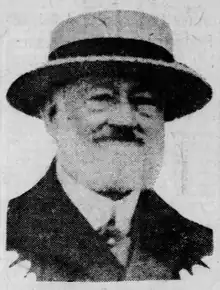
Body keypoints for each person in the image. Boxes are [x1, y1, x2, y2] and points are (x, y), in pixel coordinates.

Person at [5, 10, 213, 281]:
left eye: (145, 101)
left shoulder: (204, 249)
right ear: (53, 116)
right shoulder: (10, 234)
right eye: (101, 97)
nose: (125, 119)